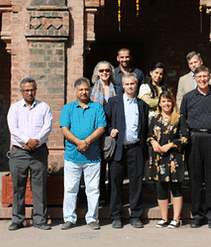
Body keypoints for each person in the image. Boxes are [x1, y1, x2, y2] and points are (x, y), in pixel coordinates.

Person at [180, 66, 211, 229]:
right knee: (195, 178)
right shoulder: (188, 97)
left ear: (210, 77)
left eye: (205, 76)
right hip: (194, 139)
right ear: (194, 79)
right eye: (199, 77)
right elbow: (183, 118)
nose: (202, 79)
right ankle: (197, 215)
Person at [59, 77, 106, 230]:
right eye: (81, 89)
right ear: (75, 91)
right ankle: (69, 218)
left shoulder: (97, 108)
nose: (84, 92)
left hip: (93, 156)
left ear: (90, 90)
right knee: (70, 188)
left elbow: (101, 128)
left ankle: (92, 218)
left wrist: (86, 141)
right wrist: (79, 142)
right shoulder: (68, 108)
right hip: (73, 155)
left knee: (93, 189)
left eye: (87, 89)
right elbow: (64, 129)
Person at [6, 77, 53, 231]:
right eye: (26, 90)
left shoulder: (44, 107)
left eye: (32, 89)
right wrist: (27, 140)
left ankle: (39, 219)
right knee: (18, 187)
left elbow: (47, 127)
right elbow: (13, 128)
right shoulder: (15, 108)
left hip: (38, 152)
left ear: (36, 90)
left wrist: (36, 141)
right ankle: (18, 219)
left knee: (39, 188)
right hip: (19, 152)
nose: (29, 93)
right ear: (21, 92)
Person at [104, 73, 149, 229]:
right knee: (115, 183)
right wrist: (110, 131)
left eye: (132, 84)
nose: (130, 86)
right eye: (127, 84)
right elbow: (105, 122)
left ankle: (135, 215)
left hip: (135, 148)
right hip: (118, 148)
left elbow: (145, 129)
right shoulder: (113, 102)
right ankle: (116, 215)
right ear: (122, 86)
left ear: (136, 85)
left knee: (136, 183)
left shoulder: (142, 105)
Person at [147, 90, 190, 229]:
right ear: (159, 103)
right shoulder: (155, 118)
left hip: (174, 159)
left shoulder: (179, 118)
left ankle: (176, 219)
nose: (166, 104)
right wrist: (153, 142)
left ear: (173, 102)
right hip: (158, 159)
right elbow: (149, 136)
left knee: (176, 188)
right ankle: (164, 218)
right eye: (163, 101)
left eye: (169, 101)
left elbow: (185, 138)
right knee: (161, 189)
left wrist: (170, 145)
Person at [89, 60, 118, 206]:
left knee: (113, 169)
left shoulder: (117, 90)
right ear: (97, 73)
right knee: (98, 168)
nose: (104, 73)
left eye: (107, 70)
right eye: (101, 71)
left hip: (113, 134)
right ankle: (100, 197)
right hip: (96, 135)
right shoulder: (91, 91)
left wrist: (114, 128)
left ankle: (112, 198)